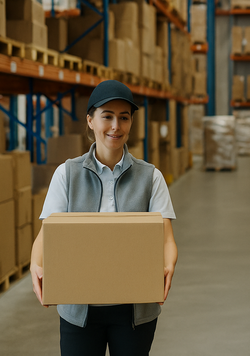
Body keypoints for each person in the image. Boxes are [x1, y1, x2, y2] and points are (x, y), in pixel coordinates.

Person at [30, 80, 178, 356]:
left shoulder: (150, 177)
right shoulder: (67, 174)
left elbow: (166, 238)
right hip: (80, 309)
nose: (115, 126)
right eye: (107, 116)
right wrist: (35, 264)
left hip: (135, 310)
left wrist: (168, 264)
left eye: (124, 118)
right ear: (90, 120)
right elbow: (46, 234)